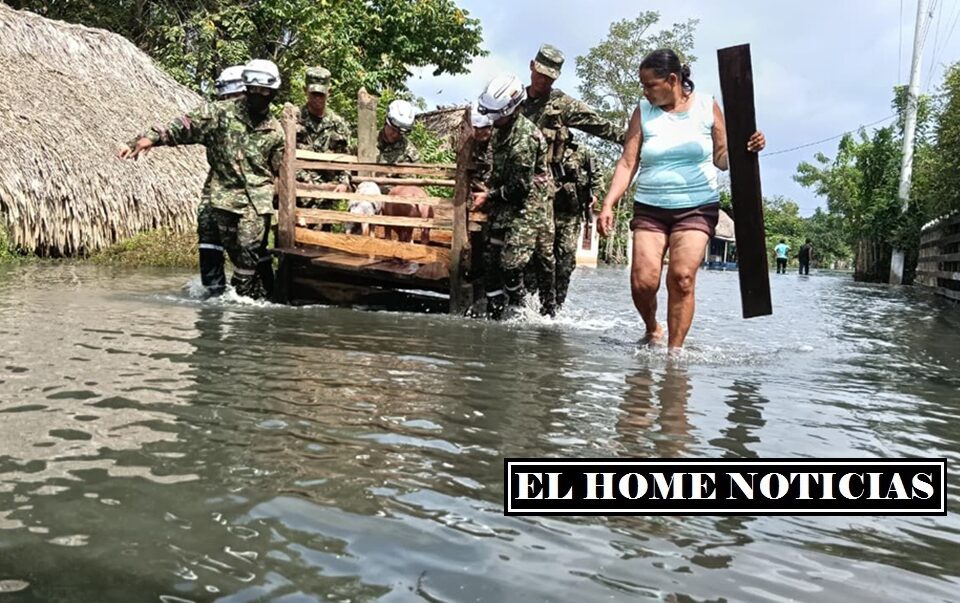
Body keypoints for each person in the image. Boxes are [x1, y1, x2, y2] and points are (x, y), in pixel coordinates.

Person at [597, 49, 765, 352]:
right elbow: (626, 163)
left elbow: (722, 159)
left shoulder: (705, 106)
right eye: (643, 86)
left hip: (697, 206)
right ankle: (652, 328)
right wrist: (608, 203)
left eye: (650, 85)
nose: (645, 91)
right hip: (650, 206)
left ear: (672, 80)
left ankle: (674, 355)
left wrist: (746, 148)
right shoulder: (642, 112)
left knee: (682, 277)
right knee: (643, 282)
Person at [118, 59, 284, 300]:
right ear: (247, 88)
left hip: (257, 202)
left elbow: (279, 168)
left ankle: (245, 300)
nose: (259, 94)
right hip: (223, 198)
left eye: (265, 90)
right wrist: (149, 139)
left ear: (273, 92)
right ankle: (227, 298)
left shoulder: (275, 130)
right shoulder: (218, 114)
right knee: (224, 248)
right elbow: (184, 126)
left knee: (249, 251)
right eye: (254, 89)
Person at [522, 44, 625, 312]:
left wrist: (632, 139)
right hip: (525, 194)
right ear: (532, 66)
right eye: (540, 74)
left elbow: (600, 126)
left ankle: (552, 311)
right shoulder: (515, 103)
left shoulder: (562, 104)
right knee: (530, 254)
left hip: (562, 197)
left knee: (564, 257)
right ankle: (525, 306)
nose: (542, 81)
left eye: (549, 77)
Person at [472, 74, 556, 318]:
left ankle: (523, 311)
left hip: (528, 207)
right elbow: (497, 171)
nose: (491, 118)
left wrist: (488, 195)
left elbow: (519, 188)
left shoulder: (524, 141)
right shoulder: (501, 130)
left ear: (512, 109)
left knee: (511, 263)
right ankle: (496, 313)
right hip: (503, 200)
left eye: (496, 114)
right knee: (490, 260)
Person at [297, 66, 351, 190]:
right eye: (314, 93)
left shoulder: (338, 124)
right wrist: (305, 180)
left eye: (321, 94)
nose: (317, 98)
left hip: (330, 191)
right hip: (299, 188)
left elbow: (345, 159)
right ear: (305, 90)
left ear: (329, 93)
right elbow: (281, 157)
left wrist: (344, 183)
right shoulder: (293, 120)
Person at [377, 99, 420, 166]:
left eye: (401, 132)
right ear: (386, 122)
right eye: (393, 130)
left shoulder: (409, 152)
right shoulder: (367, 141)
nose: (395, 135)